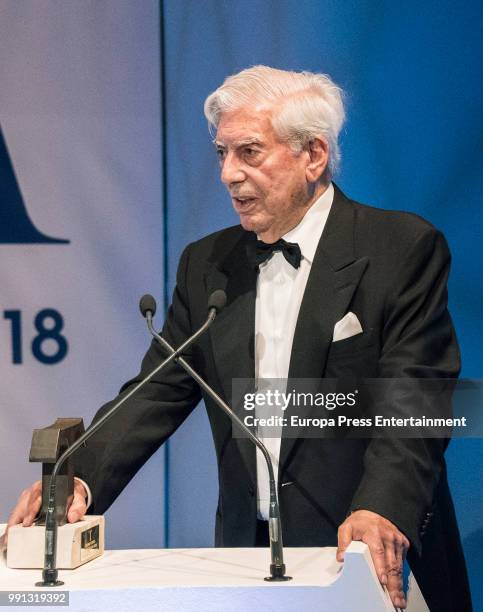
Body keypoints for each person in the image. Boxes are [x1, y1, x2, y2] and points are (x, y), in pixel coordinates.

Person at [2, 66, 471, 611]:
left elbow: (418, 398)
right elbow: (155, 390)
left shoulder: (400, 248)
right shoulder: (207, 265)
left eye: (249, 152)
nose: (228, 173)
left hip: (371, 558)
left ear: (313, 155)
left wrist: (382, 507)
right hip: (251, 569)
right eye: (222, 153)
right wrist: (76, 479)